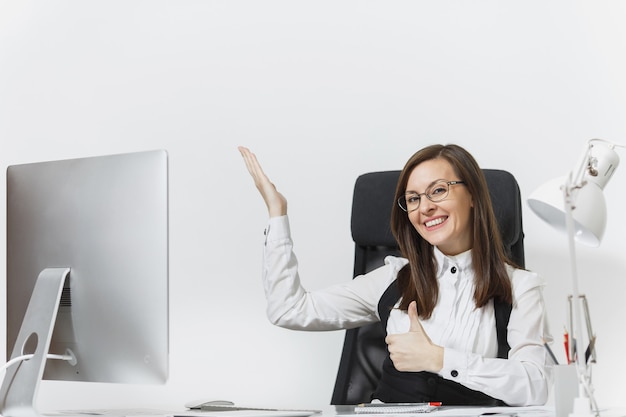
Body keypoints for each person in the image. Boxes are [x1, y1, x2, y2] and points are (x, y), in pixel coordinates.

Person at [238, 144, 551, 406]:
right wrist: (277, 214)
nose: (424, 207)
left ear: (472, 196)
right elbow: (288, 310)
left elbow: (536, 387)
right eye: (413, 198)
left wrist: (439, 359)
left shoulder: (519, 287)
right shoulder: (393, 279)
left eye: (438, 191)